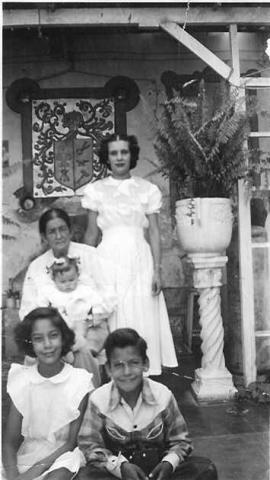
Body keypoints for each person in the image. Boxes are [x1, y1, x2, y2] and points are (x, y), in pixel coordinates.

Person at [81, 133, 177, 376]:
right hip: (107, 260)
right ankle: (114, 376)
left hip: (139, 260)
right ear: (107, 157)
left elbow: (154, 232)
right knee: (112, 314)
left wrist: (157, 269)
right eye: (114, 153)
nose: (119, 157)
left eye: (124, 152)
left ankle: (143, 375)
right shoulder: (95, 190)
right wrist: (85, 274)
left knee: (140, 311)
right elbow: (91, 234)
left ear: (131, 155)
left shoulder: (147, 189)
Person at [78, 328, 218, 480]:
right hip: (118, 474)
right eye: (118, 365)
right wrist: (120, 467)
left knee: (205, 469)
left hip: (158, 473)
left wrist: (168, 463)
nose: (127, 372)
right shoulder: (99, 399)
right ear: (108, 369)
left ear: (145, 364)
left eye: (134, 363)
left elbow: (181, 441)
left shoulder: (162, 395)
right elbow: (89, 445)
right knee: (84, 477)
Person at [2, 307, 94, 480]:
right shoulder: (23, 380)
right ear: (29, 342)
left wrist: (33, 472)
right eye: (38, 339)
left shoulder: (79, 381)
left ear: (63, 337)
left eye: (53, 335)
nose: (47, 345)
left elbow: (70, 443)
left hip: (62, 457)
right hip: (28, 455)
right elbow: (9, 442)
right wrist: (14, 477)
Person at [19, 207, 103, 386]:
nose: (58, 236)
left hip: (88, 328)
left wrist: (89, 316)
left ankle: (88, 402)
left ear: (70, 230)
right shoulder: (37, 266)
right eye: (52, 231)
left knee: (82, 351)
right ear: (44, 236)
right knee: (39, 355)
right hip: (52, 331)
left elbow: (108, 295)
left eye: (62, 229)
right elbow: (27, 310)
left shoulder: (90, 256)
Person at [38, 256, 114, 364]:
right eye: (62, 282)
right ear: (54, 280)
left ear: (78, 276)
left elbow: (98, 302)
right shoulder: (52, 293)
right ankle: (67, 352)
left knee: (89, 335)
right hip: (64, 323)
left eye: (71, 280)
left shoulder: (84, 290)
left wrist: (93, 314)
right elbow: (42, 306)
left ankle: (84, 349)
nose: (68, 284)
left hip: (84, 323)